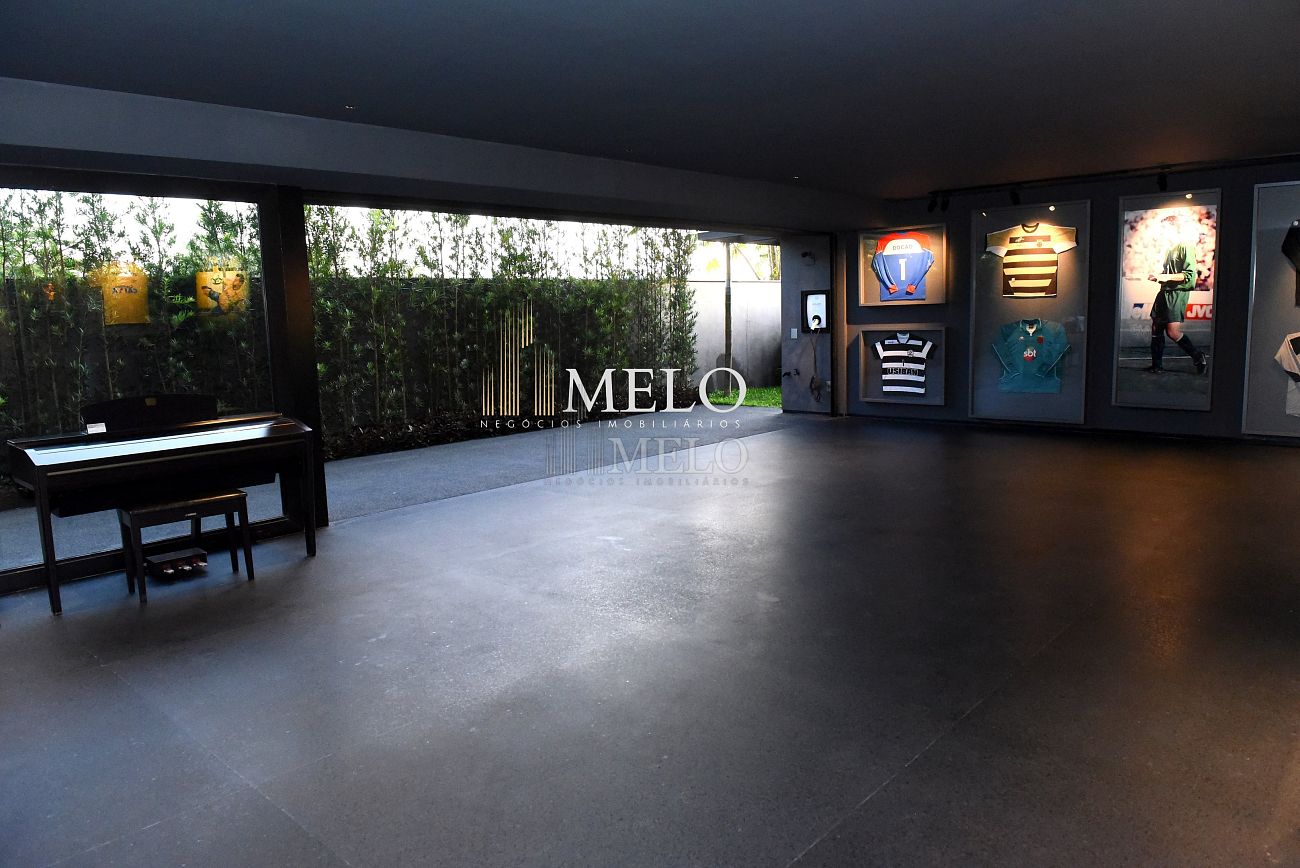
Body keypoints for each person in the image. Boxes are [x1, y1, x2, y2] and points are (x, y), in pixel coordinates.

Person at [1146, 216, 1207, 375]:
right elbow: (1169, 273)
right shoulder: (1169, 249)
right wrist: (1158, 276)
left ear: (1174, 228)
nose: (1162, 232)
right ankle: (1157, 365)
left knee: (1172, 332)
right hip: (1164, 291)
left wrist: (1165, 277)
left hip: (1177, 293)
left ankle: (1197, 356)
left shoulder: (1186, 246)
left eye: (1165, 228)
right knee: (1156, 327)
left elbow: (1189, 276)